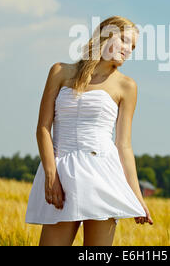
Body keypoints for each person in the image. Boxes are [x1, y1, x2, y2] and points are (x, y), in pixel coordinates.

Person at [25, 15, 153, 246]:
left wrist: (137, 196)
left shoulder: (127, 86)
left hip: (103, 175)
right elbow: (43, 128)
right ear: (105, 36)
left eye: (132, 47)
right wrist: (51, 174)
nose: (128, 50)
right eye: (124, 41)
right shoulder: (60, 71)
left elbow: (123, 145)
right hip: (62, 170)